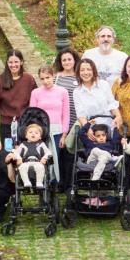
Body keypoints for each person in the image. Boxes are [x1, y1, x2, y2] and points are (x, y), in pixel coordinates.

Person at [0, 49, 37, 143]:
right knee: (8, 153)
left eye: (16, 62)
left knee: (24, 153)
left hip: (25, 125)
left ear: (21, 62)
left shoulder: (29, 79)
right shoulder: (0, 81)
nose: (13, 65)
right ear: (7, 63)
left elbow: (36, 100)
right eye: (10, 62)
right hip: (7, 126)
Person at [53, 48, 81, 190]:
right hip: (59, 120)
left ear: (74, 60)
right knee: (59, 152)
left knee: (70, 153)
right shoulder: (56, 77)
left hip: (75, 120)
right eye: (64, 60)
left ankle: (70, 183)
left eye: (69, 59)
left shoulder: (80, 76)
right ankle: (60, 182)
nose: (67, 62)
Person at [73, 58, 121, 132]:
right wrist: (87, 129)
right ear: (78, 73)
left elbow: (111, 104)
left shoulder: (103, 84)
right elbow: (81, 114)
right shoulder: (77, 92)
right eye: (82, 70)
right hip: (92, 128)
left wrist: (118, 116)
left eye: (89, 69)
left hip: (108, 126)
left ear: (93, 71)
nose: (86, 73)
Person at [29, 65, 70, 147]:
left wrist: (64, 135)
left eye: (48, 77)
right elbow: (32, 115)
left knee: (55, 158)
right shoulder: (35, 92)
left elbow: (66, 115)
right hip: (40, 132)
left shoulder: (63, 92)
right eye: (42, 79)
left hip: (58, 131)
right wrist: (34, 133)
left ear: (53, 76)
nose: (45, 81)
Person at [10, 123, 51, 189]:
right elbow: (16, 152)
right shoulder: (23, 144)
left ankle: (39, 182)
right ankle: (26, 181)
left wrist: (44, 158)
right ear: (26, 135)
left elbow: (48, 152)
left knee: (40, 167)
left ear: (40, 136)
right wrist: (19, 158)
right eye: (30, 132)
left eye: (36, 133)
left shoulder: (41, 144)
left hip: (38, 162)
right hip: (26, 162)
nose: (33, 134)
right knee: (22, 167)